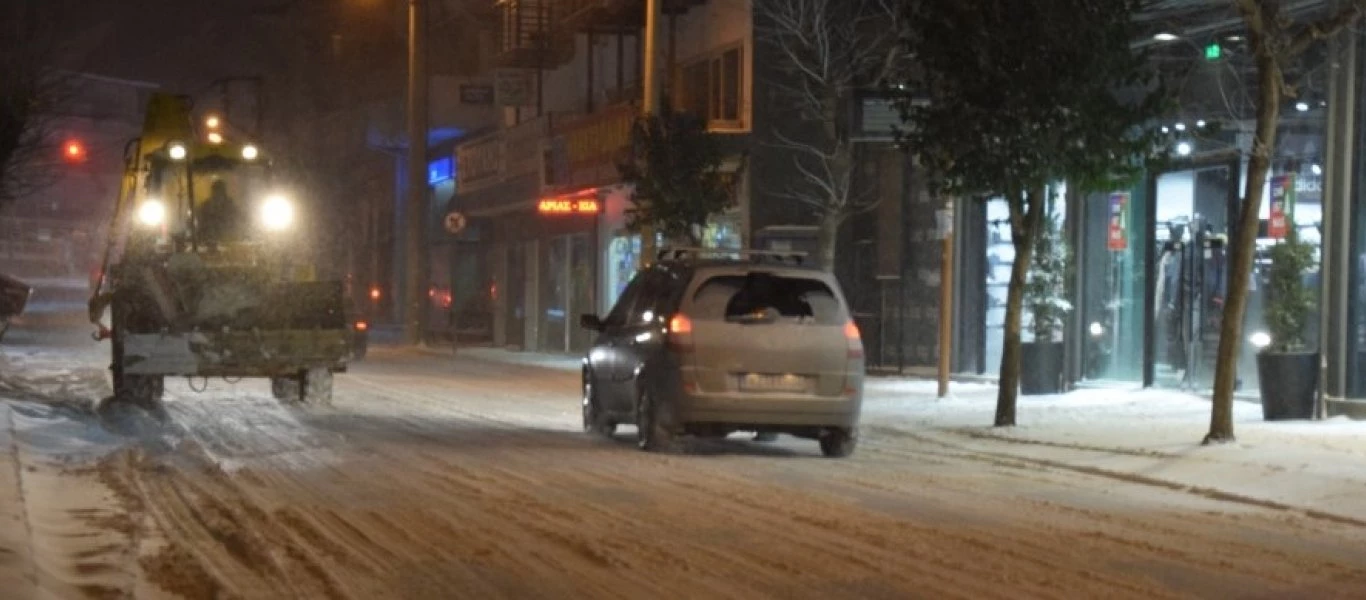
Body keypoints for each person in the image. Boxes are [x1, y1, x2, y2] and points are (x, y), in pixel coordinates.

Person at [198, 180, 243, 245]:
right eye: (215, 192)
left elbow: (237, 226)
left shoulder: (231, 207)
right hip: (209, 244)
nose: (217, 194)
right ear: (212, 193)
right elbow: (201, 228)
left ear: (224, 193)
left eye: (220, 192)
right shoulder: (206, 207)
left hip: (229, 243)